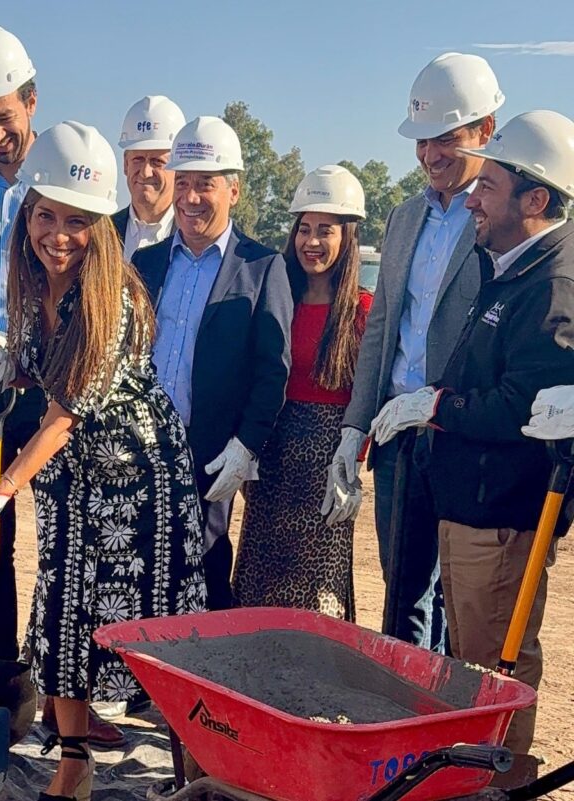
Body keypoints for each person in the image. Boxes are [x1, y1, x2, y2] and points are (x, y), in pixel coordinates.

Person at [0, 121, 208, 801]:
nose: (57, 234)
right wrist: (9, 362)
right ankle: (73, 763)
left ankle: (197, 765)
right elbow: (46, 382)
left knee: (154, 634)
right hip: (69, 486)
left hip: (137, 487)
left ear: (101, 226)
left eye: (76, 220)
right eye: (45, 215)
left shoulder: (111, 297)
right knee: (59, 616)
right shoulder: (35, 288)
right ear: (28, 214)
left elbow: (66, 413)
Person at [0, 26, 124, 747]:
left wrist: (28, 349)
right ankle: (1, 667)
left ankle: (67, 686)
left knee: (67, 536)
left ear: (32, 101)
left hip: (51, 386)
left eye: (4, 118)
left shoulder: (62, 181)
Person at [370, 110, 574, 782]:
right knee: (472, 656)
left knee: (497, 662)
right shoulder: (514, 264)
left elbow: (524, 408)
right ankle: (481, 772)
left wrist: (436, 405)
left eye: (489, 187)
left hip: (501, 512)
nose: (474, 200)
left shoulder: (552, 286)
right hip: (470, 500)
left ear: (535, 199)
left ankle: (502, 778)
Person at [328, 53, 504, 651]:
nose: (431, 156)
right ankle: (402, 727)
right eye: (422, 141)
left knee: (458, 600)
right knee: (403, 595)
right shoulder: (405, 219)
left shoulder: (500, 218)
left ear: (486, 129)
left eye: (446, 140)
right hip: (399, 436)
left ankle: (447, 733)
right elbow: (381, 330)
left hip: (463, 435)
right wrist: (356, 429)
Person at [131, 116, 293, 610]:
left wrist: (245, 447)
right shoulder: (146, 264)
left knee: (201, 577)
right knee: (138, 573)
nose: (191, 198)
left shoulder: (262, 267)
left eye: (205, 185)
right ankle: (142, 687)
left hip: (210, 457)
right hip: (140, 451)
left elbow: (273, 370)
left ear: (235, 191)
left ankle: (194, 687)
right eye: (184, 184)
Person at [232, 166, 372, 619]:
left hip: (327, 468)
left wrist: (354, 460)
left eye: (325, 231)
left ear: (347, 237)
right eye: (304, 229)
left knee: (317, 598)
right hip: (271, 462)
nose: (311, 242)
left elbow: (368, 394)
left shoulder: (362, 312)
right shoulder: (275, 299)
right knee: (257, 584)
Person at [112, 96, 185, 261]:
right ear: (125, 163)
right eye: (137, 159)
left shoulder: (193, 239)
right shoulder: (103, 234)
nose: (145, 172)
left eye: (157, 162)